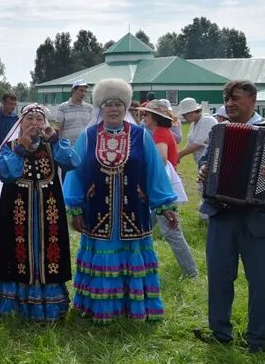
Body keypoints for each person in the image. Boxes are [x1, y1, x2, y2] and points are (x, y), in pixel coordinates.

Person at [195, 80, 265, 353]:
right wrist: (205, 168)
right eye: (227, 98)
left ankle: (257, 340)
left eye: (235, 98)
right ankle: (220, 333)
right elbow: (205, 161)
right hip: (222, 215)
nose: (229, 103)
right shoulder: (220, 130)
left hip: (261, 218)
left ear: (253, 100)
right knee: (220, 277)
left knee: (259, 283)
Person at [63, 78, 179, 323]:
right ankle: (100, 308)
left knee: (132, 254)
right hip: (98, 212)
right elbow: (77, 172)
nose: (113, 109)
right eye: (108, 104)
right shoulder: (89, 136)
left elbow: (154, 172)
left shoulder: (140, 136)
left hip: (133, 213)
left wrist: (165, 204)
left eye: (118, 104)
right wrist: (75, 208)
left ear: (126, 107)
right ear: (100, 108)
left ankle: (133, 308)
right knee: (103, 254)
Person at [0, 104, 79, 321]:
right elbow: (5, 173)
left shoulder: (53, 146)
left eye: (39, 119)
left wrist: (55, 140)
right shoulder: (10, 147)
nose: (35, 123)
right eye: (29, 118)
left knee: (50, 253)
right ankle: (13, 306)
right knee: (15, 253)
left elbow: (73, 162)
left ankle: (50, 305)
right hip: (16, 213)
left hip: (49, 213)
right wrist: (22, 147)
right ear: (20, 123)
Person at [139, 101, 198, 278]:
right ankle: (141, 265)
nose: (144, 117)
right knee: (142, 228)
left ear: (155, 118)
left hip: (162, 190)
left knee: (172, 233)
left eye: (147, 115)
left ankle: (191, 273)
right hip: (160, 188)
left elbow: (162, 159)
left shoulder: (160, 134)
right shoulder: (161, 132)